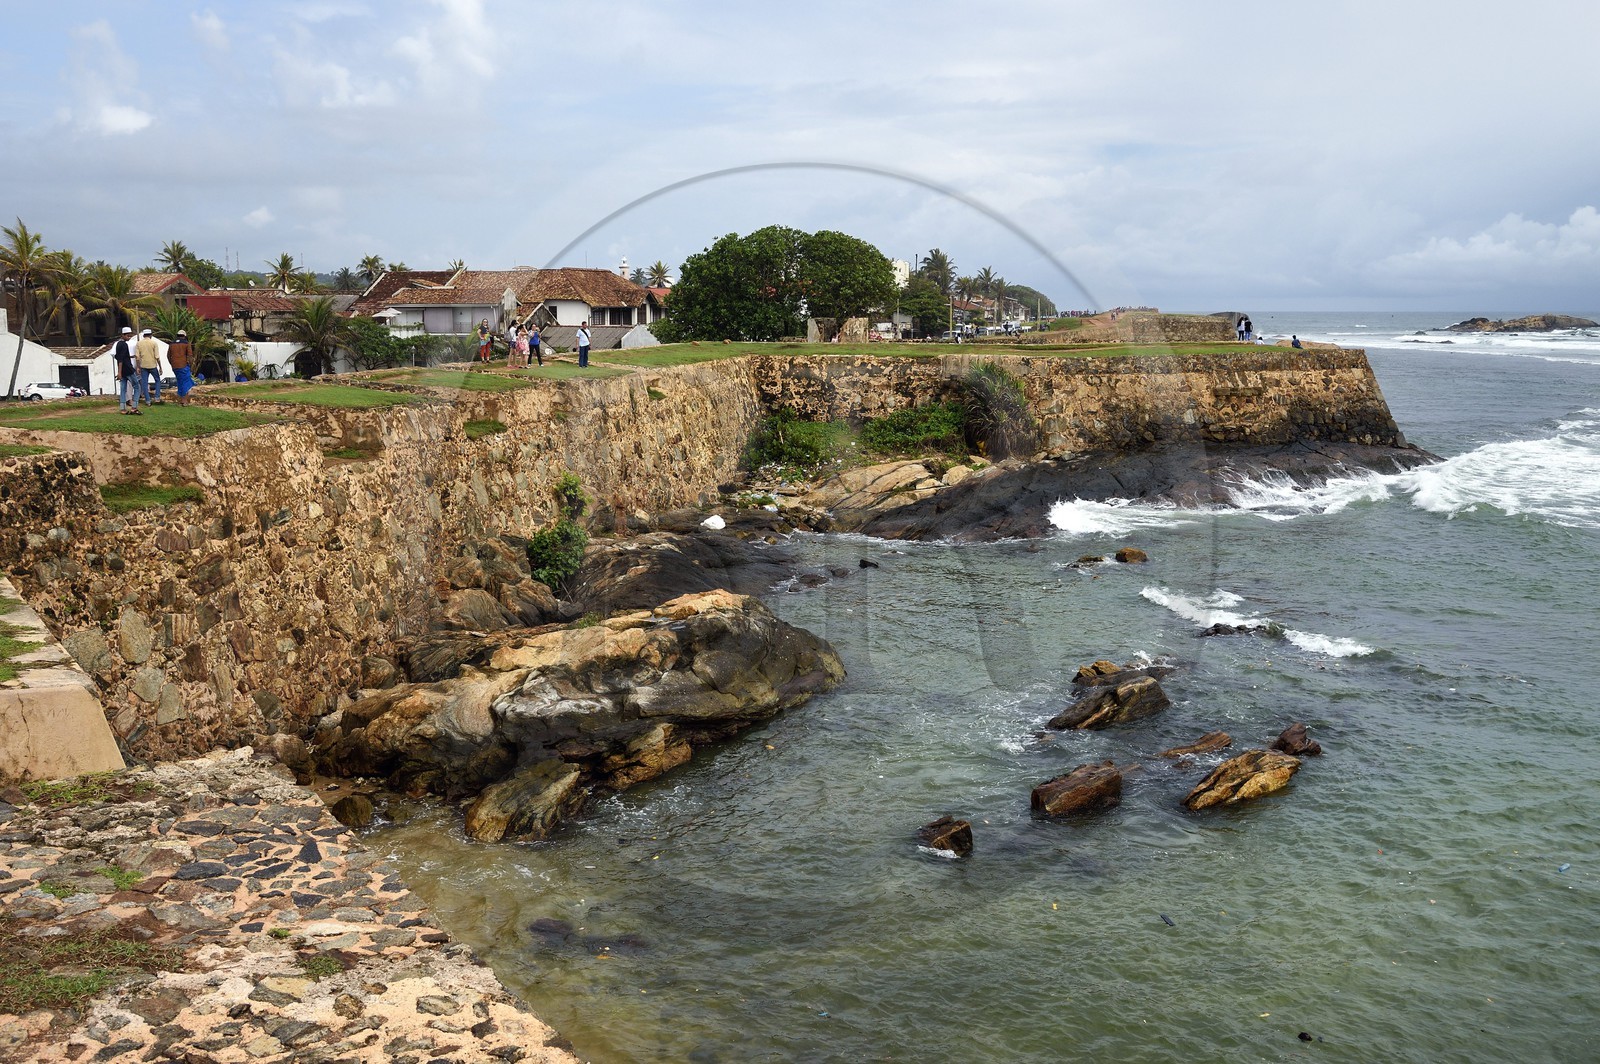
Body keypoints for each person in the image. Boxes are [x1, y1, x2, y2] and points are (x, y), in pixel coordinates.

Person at [113, 326, 141, 414]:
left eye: (129, 336)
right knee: (137, 387)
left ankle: (122, 409)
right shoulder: (124, 345)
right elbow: (121, 359)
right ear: (123, 335)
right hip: (128, 369)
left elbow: (117, 358)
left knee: (123, 389)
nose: (128, 337)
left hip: (123, 369)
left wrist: (119, 372)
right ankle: (134, 407)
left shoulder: (118, 344)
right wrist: (119, 372)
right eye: (127, 336)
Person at [167, 329, 195, 406]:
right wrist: (191, 365)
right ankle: (184, 401)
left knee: (180, 382)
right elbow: (189, 356)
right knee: (186, 383)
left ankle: (182, 399)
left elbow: (168, 356)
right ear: (184, 336)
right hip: (184, 366)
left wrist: (172, 363)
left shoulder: (171, 344)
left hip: (175, 366)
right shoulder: (186, 344)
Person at [136, 328, 163, 404]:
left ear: (143, 335)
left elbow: (137, 357)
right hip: (153, 365)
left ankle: (148, 400)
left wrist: (138, 367)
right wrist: (160, 367)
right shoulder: (154, 343)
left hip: (143, 365)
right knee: (157, 380)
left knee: (144, 382)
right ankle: (157, 397)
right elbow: (157, 357)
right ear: (151, 335)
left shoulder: (139, 343)